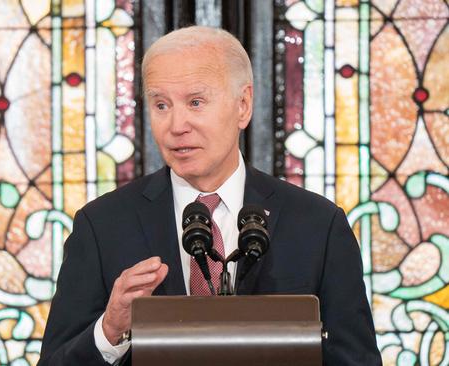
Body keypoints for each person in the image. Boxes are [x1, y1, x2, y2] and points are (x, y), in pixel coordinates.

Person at [39, 26, 381, 365]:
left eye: (195, 102)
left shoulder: (318, 226)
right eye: (161, 105)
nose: (176, 125)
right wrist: (109, 331)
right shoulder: (101, 227)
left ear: (243, 106)